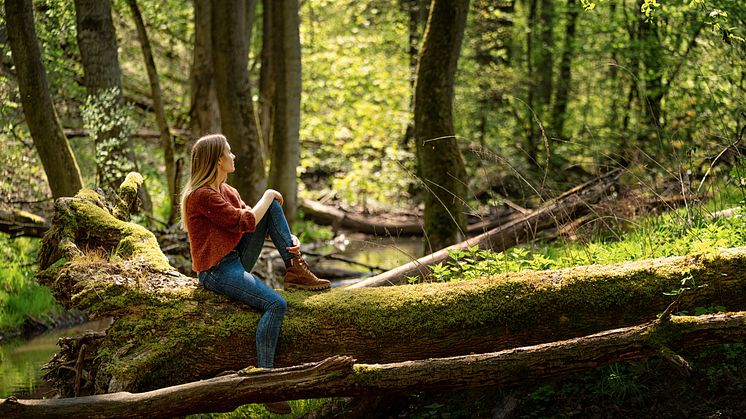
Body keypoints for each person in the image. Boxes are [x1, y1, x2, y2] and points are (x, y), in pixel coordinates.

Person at [180, 134, 330, 414]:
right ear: (217, 159)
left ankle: (295, 268)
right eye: (229, 151)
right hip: (216, 271)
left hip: (236, 257)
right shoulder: (200, 196)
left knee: (271, 206)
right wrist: (269, 193)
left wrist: (289, 239)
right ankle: (264, 382)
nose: (233, 156)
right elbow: (245, 221)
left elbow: (258, 220)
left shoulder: (227, 191)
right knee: (276, 304)